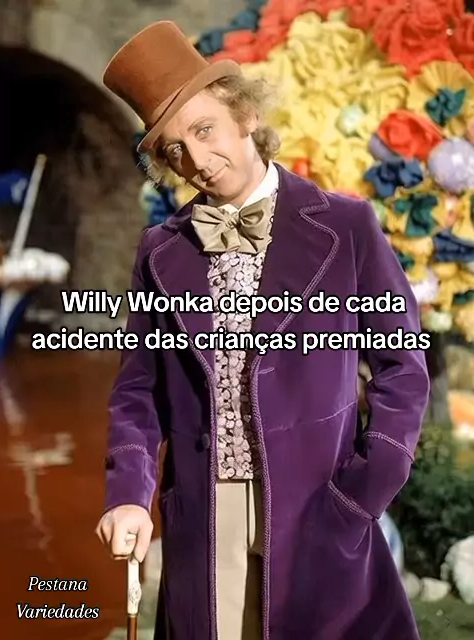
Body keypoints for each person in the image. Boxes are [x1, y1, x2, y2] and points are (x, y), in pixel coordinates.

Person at [95, 20, 430, 640]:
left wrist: (367, 485)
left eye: (204, 130)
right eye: (174, 150)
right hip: (204, 518)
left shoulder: (348, 226)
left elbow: (403, 365)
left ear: (245, 113)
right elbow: (138, 390)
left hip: (320, 506)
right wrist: (129, 494)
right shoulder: (159, 250)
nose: (197, 161)